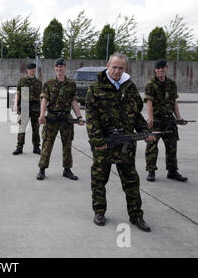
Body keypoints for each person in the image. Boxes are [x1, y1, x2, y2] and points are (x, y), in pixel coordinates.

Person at [86, 53, 154, 232]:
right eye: (114, 67)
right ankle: (99, 211)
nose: (117, 71)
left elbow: (136, 115)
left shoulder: (129, 88)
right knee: (99, 180)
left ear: (125, 69)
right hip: (104, 144)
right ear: (107, 65)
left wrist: (145, 131)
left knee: (131, 182)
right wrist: (98, 141)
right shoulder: (95, 89)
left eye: (120, 68)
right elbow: (91, 118)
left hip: (126, 146)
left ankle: (136, 216)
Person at [36, 58, 84, 181]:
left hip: (66, 118)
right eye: (57, 67)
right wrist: (42, 115)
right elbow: (44, 99)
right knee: (47, 144)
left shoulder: (71, 84)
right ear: (55, 68)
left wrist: (79, 116)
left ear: (65, 67)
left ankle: (67, 170)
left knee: (67, 145)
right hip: (51, 117)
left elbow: (73, 101)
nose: (59, 69)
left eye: (61, 67)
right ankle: (42, 170)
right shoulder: (49, 83)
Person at [145, 59, 188, 182]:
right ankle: (151, 171)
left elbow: (174, 102)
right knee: (152, 146)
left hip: (169, 120)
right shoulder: (151, 84)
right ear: (155, 70)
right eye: (158, 69)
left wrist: (179, 119)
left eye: (162, 68)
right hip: (157, 121)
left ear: (167, 68)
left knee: (172, 147)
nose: (160, 70)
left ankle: (172, 171)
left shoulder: (172, 84)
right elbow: (149, 102)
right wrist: (151, 118)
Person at [12, 63, 42, 155]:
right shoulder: (22, 81)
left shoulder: (39, 82)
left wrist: (42, 109)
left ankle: (36, 147)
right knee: (22, 128)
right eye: (30, 69)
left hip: (36, 107)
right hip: (24, 106)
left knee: (36, 128)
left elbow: (41, 96)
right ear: (27, 70)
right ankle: (19, 147)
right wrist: (15, 105)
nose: (32, 70)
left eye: (34, 69)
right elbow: (18, 93)